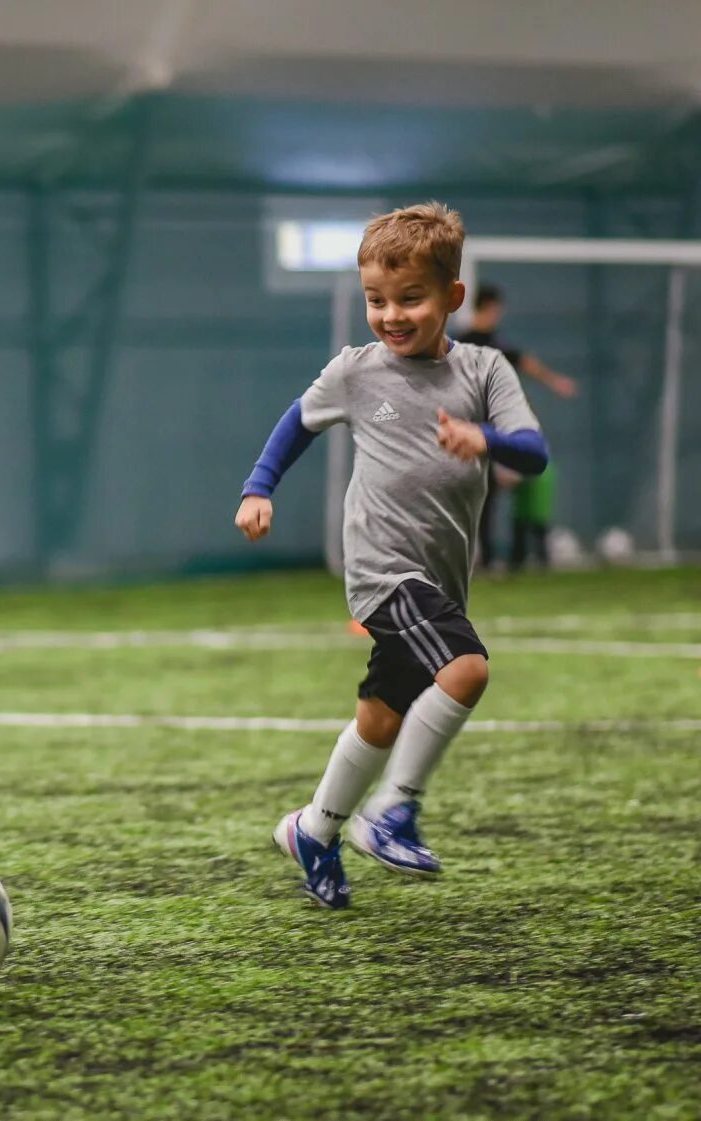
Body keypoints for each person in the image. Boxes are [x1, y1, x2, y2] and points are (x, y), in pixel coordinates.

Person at [234, 203, 549, 909]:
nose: (391, 315)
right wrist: (260, 488)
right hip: (382, 572)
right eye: (378, 300)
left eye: (411, 298)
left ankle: (314, 828)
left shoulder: (486, 370)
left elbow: (534, 452)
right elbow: (296, 422)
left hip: (440, 580)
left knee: (382, 717)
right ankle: (392, 810)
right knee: (467, 669)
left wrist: (484, 439)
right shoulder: (355, 371)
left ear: (453, 298)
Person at [459, 283, 577, 570]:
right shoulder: (465, 344)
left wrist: (553, 381)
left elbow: (525, 361)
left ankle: (497, 557)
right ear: (488, 308)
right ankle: (480, 559)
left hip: (493, 432)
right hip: (474, 431)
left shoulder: (494, 345)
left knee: (493, 496)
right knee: (479, 498)